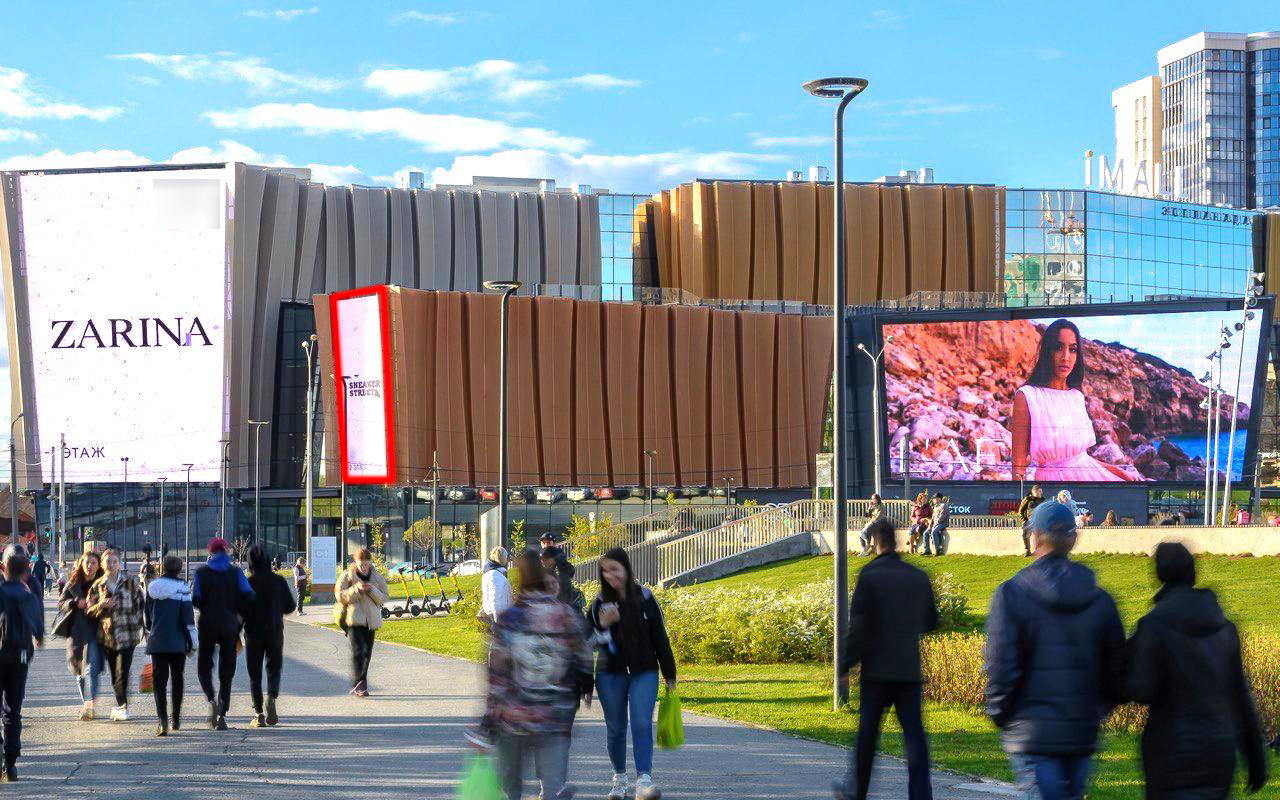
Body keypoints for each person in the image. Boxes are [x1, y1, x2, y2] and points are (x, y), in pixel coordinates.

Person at [983, 500, 1125, 800]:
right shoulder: (1100, 600)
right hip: (1080, 731)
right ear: (1074, 539)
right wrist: (1099, 709)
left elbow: (1000, 664)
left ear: (1033, 537)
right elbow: (1116, 667)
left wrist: (999, 712)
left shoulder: (1011, 594)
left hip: (1031, 733)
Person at [1125, 542, 1266, 799]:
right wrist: (1256, 759)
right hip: (1218, 748)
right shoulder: (1224, 628)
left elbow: (1142, 689)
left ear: (1159, 575)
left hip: (1170, 750)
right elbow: (1239, 697)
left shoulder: (1153, 626)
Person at [834, 518, 938, 800]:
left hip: (876, 671)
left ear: (875, 542)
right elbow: (930, 622)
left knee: (867, 737)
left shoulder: (869, 576)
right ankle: (920, 795)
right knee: (915, 738)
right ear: (897, 541)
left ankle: (857, 793)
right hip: (908, 670)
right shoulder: (917, 576)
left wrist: (845, 665)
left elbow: (858, 628)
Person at [480, 549, 593, 800]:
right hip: (554, 714)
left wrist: (490, 716)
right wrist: (585, 685)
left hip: (515, 715)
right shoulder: (563, 614)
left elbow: (497, 674)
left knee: (511, 784)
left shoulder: (510, 619)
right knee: (551, 784)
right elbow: (583, 655)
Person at [589, 547, 677, 800]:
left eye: (614, 570)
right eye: (605, 572)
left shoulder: (646, 597)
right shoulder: (599, 602)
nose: (610, 576)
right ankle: (619, 779)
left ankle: (644, 780)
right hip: (610, 674)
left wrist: (670, 674)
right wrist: (604, 627)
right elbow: (587, 642)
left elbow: (660, 638)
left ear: (626, 569)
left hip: (644, 671)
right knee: (616, 728)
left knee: (640, 724)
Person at [1010, 319, 1139, 482]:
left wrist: (1120, 473)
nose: (1066, 357)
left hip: (1090, 478)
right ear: (1047, 351)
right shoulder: (1027, 396)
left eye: (1073, 350)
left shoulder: (1076, 396)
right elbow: (1018, 466)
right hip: (1054, 488)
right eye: (1058, 348)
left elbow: (1081, 459)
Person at [193, 537, 254, 730]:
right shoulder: (235, 572)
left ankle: (211, 699)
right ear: (227, 551)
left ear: (210, 553)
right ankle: (222, 712)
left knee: (204, 665)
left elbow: (196, 599)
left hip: (207, 624)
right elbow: (248, 594)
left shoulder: (201, 573)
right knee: (227, 671)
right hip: (230, 625)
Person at [86, 547, 145, 722]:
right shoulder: (97, 585)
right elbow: (89, 610)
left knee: (122, 672)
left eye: (114, 561)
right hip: (107, 636)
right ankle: (121, 704)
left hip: (128, 635)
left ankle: (123, 706)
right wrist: (101, 605)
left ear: (119, 564)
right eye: (108, 561)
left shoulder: (130, 582)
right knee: (114, 674)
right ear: (102, 565)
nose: (111, 564)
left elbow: (140, 604)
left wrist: (139, 624)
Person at [0, 548, 43, 782]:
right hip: (21, 655)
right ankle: (11, 761)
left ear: (3, 569)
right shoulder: (28, 595)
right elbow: (37, 625)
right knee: (13, 710)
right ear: (26, 572)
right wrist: (38, 636)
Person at [243, 544, 296, 728]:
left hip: (253, 633)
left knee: (254, 673)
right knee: (274, 667)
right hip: (274, 631)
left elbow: (241, 611)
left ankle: (258, 713)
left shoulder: (248, 583)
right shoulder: (279, 581)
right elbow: (290, 606)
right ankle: (272, 696)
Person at [144, 555, 194, 736]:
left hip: (157, 641)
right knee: (177, 679)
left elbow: (148, 619)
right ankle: (176, 718)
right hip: (178, 641)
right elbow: (188, 617)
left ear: (162, 568)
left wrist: (154, 629)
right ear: (179, 569)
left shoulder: (152, 588)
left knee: (159, 682)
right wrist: (191, 641)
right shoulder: (183, 588)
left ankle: (162, 720)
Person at [58, 552, 105, 720]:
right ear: (82, 564)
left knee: (91, 668)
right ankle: (88, 703)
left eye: (94, 562)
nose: (90, 566)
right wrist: (74, 603)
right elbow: (61, 603)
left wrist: (99, 604)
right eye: (87, 562)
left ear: (99, 565)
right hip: (77, 632)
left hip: (97, 631)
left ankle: (88, 707)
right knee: (79, 673)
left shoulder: (103, 582)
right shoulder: (73, 583)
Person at [336, 548, 388, 697]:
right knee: (358, 651)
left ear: (370, 562)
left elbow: (384, 597)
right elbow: (339, 595)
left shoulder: (377, 577)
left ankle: (360, 682)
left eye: (365, 564)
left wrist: (372, 590)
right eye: (360, 564)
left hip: (370, 621)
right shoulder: (347, 576)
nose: (363, 567)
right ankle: (360, 685)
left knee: (367, 652)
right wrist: (355, 590)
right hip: (353, 620)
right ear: (355, 562)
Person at [479, 546, 513, 629]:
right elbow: (495, 598)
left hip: (496, 613)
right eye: (506, 557)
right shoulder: (495, 575)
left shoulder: (491, 572)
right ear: (502, 558)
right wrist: (498, 621)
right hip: (498, 614)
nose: (507, 559)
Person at [1018, 486, 1045, 557]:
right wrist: (1024, 519)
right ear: (1034, 492)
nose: (1041, 493)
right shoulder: (1028, 499)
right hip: (1029, 520)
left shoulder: (1043, 500)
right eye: (1039, 491)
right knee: (1025, 535)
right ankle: (1027, 550)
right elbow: (1021, 510)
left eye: (1041, 491)